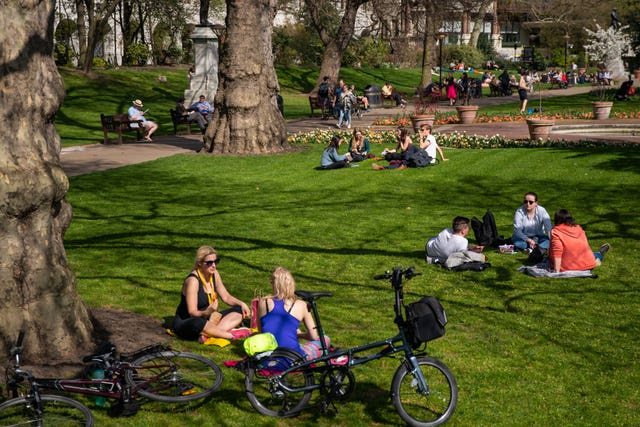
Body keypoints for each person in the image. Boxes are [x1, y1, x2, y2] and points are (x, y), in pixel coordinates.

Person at [172, 246, 252, 342]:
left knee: (239, 310)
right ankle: (229, 335)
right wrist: (206, 312)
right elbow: (192, 312)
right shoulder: (193, 281)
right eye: (209, 263)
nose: (214, 265)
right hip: (189, 321)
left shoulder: (214, 274)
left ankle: (209, 334)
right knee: (198, 323)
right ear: (199, 263)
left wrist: (242, 303)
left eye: (216, 261)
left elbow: (226, 297)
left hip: (209, 318)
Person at [258, 267, 330, 359]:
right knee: (325, 339)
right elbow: (313, 336)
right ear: (291, 283)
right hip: (293, 359)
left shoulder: (263, 302)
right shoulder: (301, 305)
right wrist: (299, 334)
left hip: (267, 354)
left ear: (274, 284)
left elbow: (261, 331)